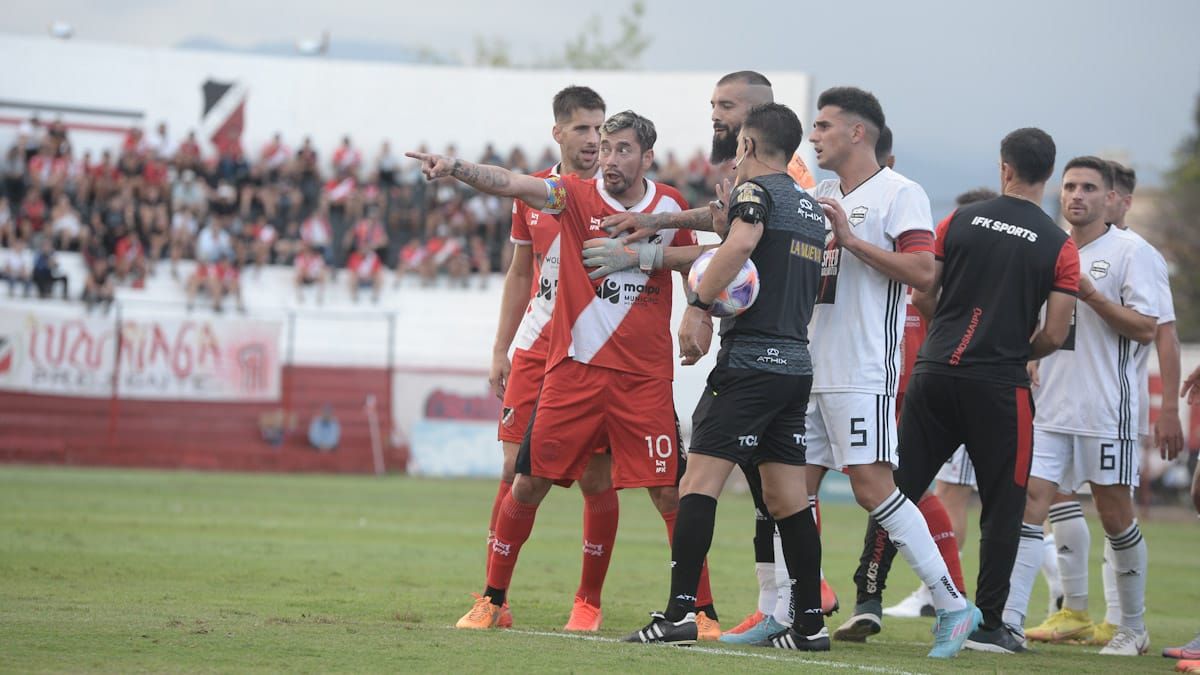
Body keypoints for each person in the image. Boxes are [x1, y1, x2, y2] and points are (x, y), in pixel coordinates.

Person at [408, 110, 719, 636]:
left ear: (647, 157)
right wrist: (455, 167)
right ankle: (492, 600)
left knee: (669, 492)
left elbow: (708, 253)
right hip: (574, 371)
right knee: (526, 483)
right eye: (606, 146)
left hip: (644, 378)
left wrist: (652, 265)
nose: (610, 157)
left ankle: (702, 609)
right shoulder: (572, 194)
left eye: (624, 149)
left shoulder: (669, 205)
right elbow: (511, 182)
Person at [602, 71, 838, 641]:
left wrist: (700, 306)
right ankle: (808, 622)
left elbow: (738, 244)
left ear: (749, 144)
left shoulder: (754, 194)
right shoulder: (810, 208)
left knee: (698, 483)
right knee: (787, 498)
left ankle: (681, 613)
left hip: (751, 362)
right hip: (794, 366)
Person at [853, 128, 1079, 655]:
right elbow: (1056, 332)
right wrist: (1015, 352)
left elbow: (921, 291)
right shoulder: (1059, 244)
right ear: (1048, 176)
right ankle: (990, 624)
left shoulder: (958, 220)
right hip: (1000, 387)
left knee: (898, 486)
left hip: (935, 374)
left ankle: (868, 596)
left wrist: (946, 337)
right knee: (1003, 504)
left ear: (1004, 168)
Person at [767, 87, 973, 652]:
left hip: (862, 371)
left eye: (824, 126)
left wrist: (852, 240)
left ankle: (954, 605)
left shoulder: (901, 193)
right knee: (785, 490)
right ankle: (788, 611)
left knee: (872, 488)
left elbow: (923, 272)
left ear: (858, 133)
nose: (814, 136)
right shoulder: (822, 192)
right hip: (809, 369)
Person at [481, 87, 630, 632]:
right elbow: (521, 272)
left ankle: (587, 602)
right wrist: (501, 347)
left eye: (601, 129)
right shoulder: (535, 193)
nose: (594, 141)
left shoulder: (619, 195)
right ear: (559, 133)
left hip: (591, 350)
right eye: (584, 129)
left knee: (596, 476)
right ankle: (494, 597)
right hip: (536, 344)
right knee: (513, 468)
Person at [1004, 157, 1167, 657]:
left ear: (1109, 198)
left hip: (1105, 409)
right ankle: (1006, 621)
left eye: (1089, 188)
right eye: (1070, 186)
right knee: (1030, 502)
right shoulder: (1050, 245)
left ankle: (1131, 627)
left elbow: (1146, 327)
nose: (1077, 195)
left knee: (1115, 513)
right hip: (1051, 406)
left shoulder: (1132, 252)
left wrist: (1093, 295)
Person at [881, 187, 1001, 621]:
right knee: (930, 490)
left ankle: (947, 593)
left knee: (946, 492)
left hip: (949, 395)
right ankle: (945, 592)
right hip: (925, 394)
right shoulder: (936, 270)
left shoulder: (962, 279)